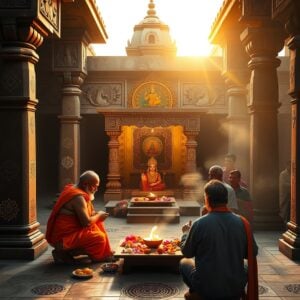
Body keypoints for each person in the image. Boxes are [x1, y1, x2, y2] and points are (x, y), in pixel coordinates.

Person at [179, 180, 258, 300]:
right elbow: (253, 253)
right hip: (235, 287)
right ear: (226, 199)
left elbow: (187, 252)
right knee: (246, 265)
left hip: (207, 287)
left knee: (184, 262)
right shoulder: (242, 223)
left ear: (207, 199)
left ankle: (197, 293)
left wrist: (186, 233)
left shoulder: (200, 224)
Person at [46, 170, 113, 264]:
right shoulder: (78, 197)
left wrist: (95, 215)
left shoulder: (73, 188)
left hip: (69, 233)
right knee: (99, 238)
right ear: (85, 184)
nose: (96, 190)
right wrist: (99, 215)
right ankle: (63, 251)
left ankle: (66, 252)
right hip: (63, 238)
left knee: (97, 225)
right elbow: (86, 223)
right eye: (95, 186)